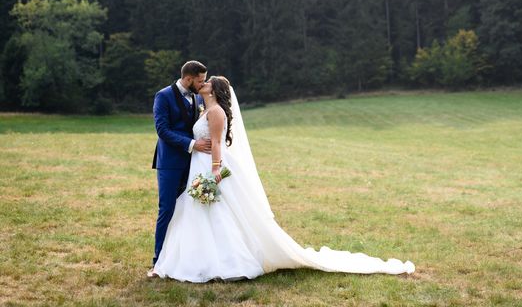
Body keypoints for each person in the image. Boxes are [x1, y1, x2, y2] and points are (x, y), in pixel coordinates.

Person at [152, 75, 415, 281]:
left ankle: (228, 261)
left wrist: (216, 168)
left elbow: (218, 142)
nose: (203, 84)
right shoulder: (202, 106)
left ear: (215, 90)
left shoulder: (216, 111)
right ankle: (196, 258)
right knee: (197, 212)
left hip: (210, 166)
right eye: (202, 80)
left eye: (207, 82)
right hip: (196, 164)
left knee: (218, 214)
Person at [148, 61, 210, 278]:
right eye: (200, 80)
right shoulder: (163, 96)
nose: (203, 84)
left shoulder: (198, 96)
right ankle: (157, 262)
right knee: (167, 209)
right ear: (189, 78)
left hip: (194, 163)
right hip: (170, 163)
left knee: (189, 210)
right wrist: (193, 145)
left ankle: (183, 259)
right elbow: (162, 130)